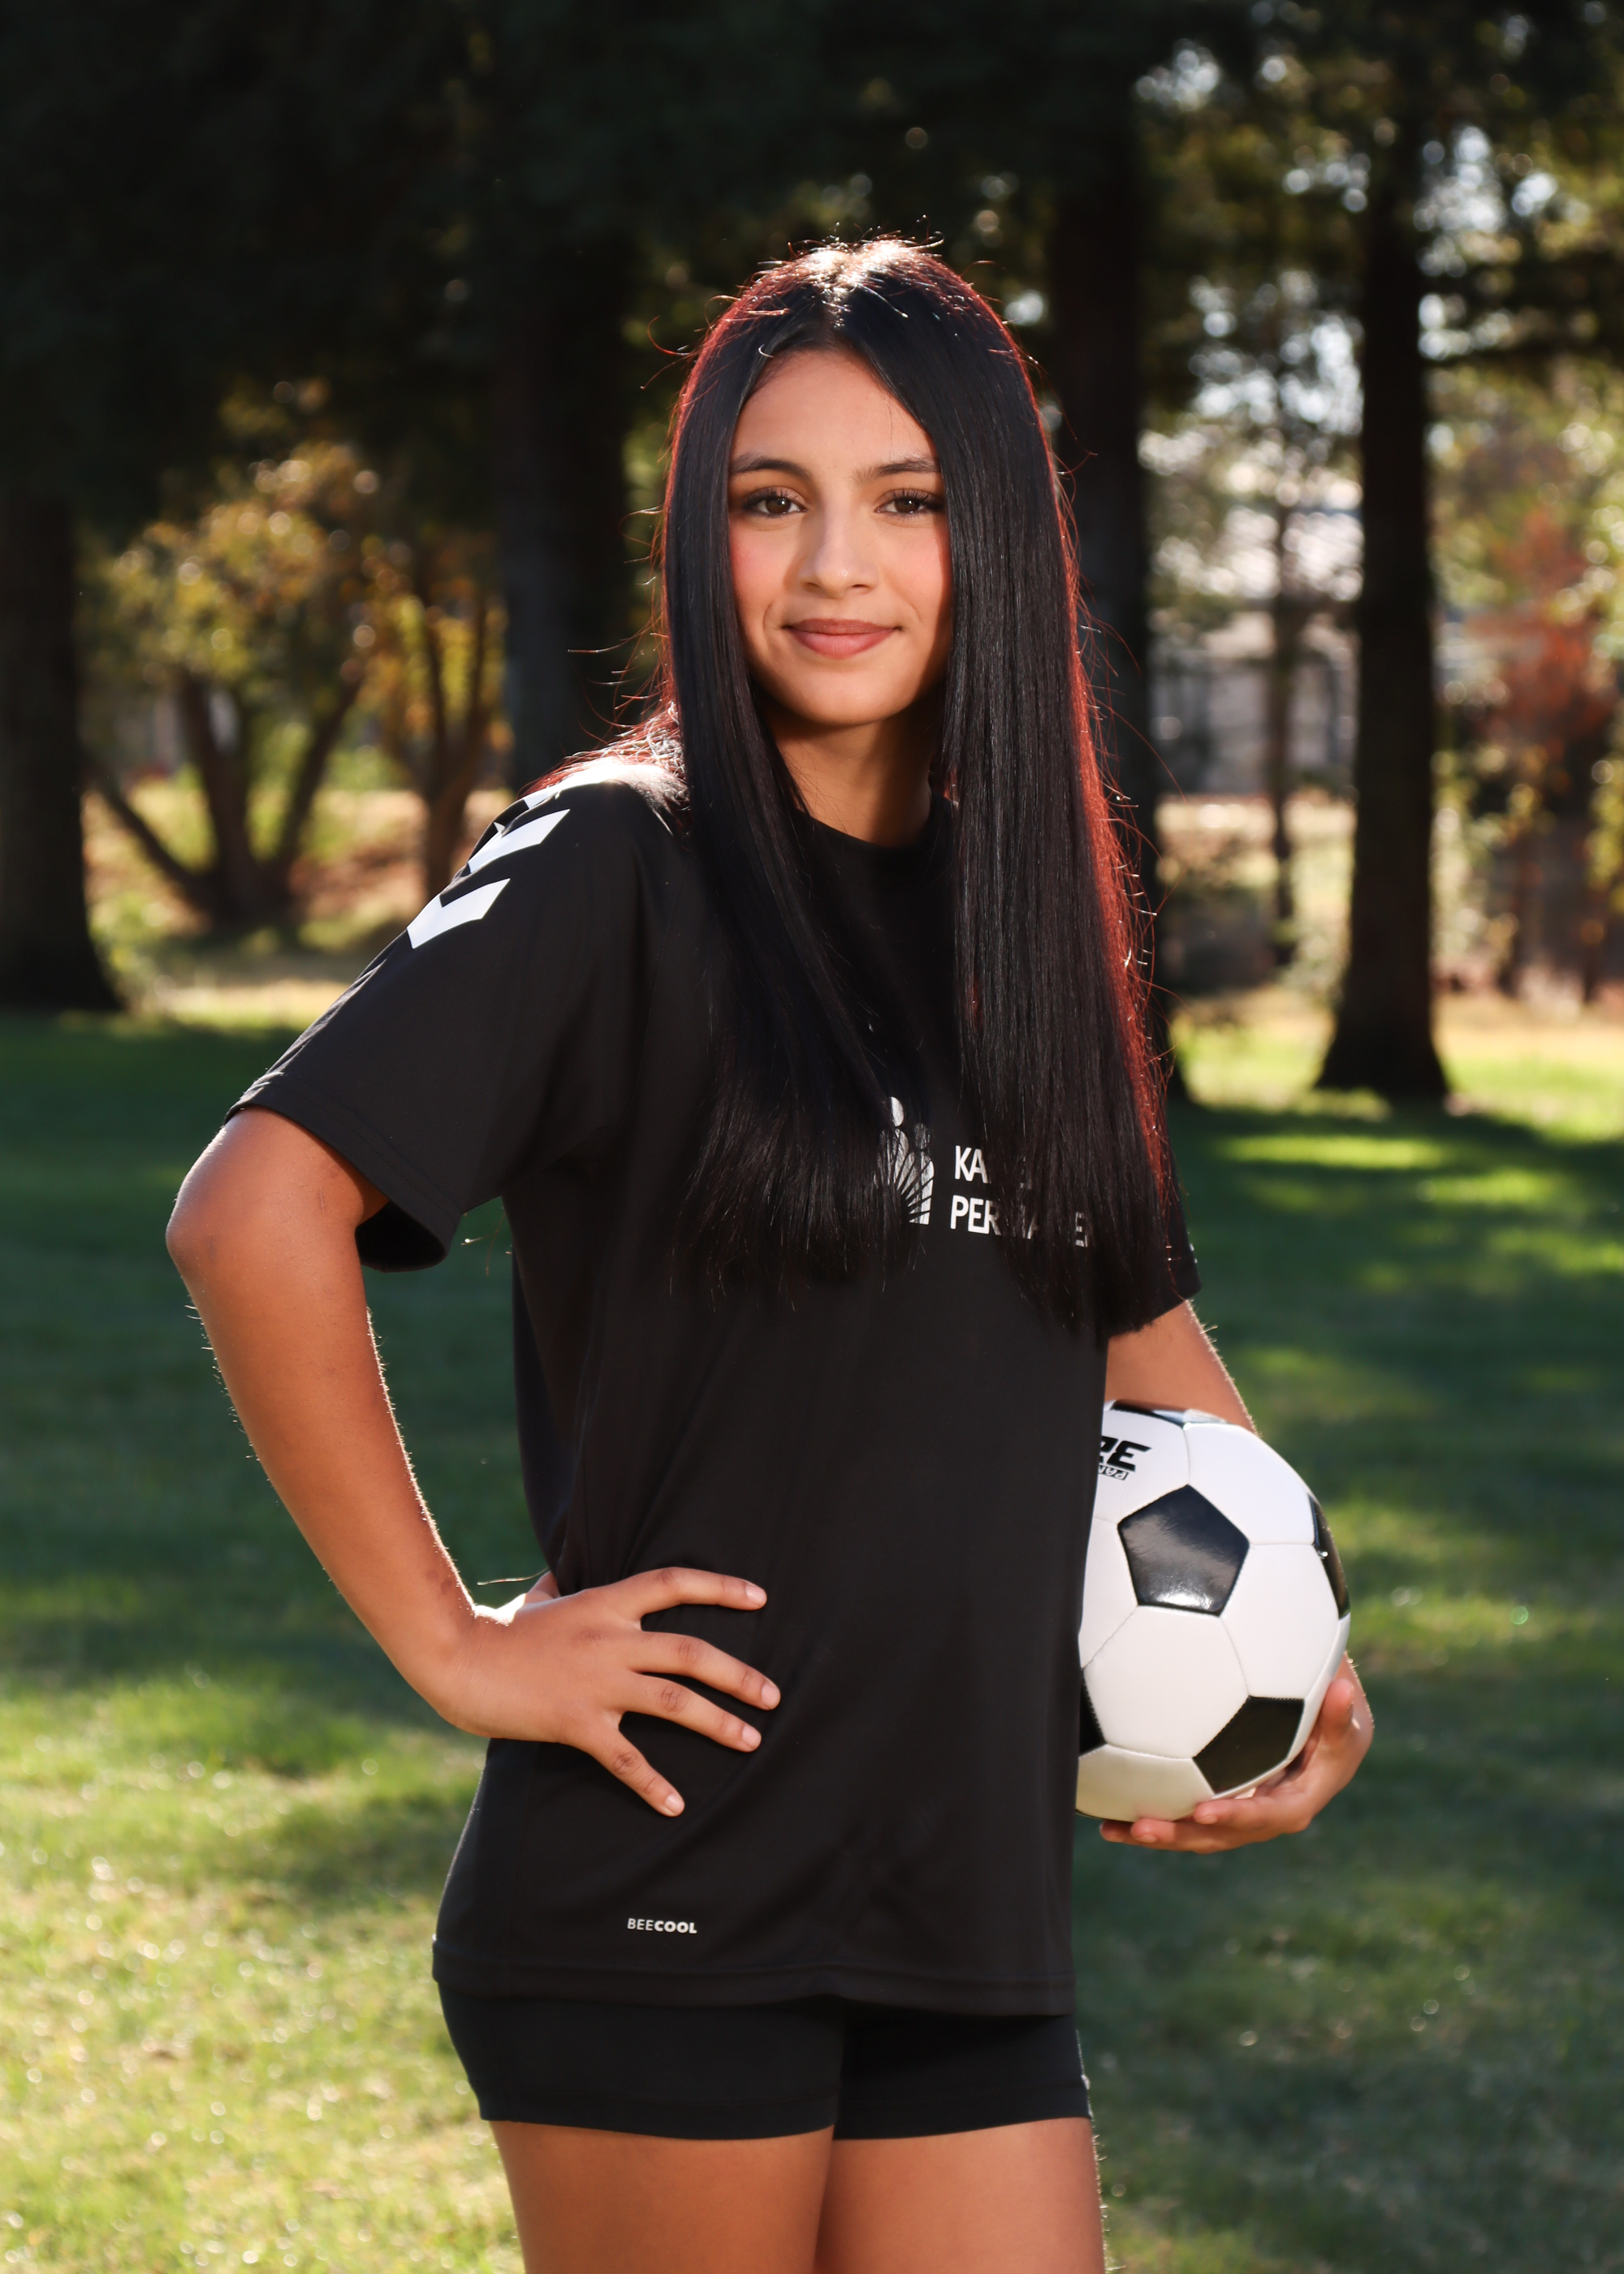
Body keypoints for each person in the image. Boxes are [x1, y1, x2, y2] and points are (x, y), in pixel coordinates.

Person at [166, 240, 1372, 2274]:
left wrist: (1303, 1645)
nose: (836, 563)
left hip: (962, 1898)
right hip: (666, 1886)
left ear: (992, 537)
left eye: (904, 498)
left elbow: (1127, 1320)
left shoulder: (1022, 922)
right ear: (697, 534)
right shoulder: (618, 866)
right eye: (768, 497)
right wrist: (457, 1641)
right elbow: (251, 1203)